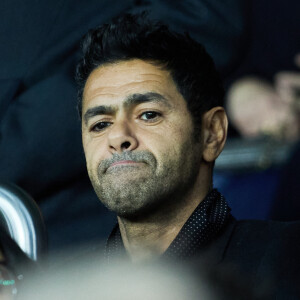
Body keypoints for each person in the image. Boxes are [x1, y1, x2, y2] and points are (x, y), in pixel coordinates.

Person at [76, 13, 300, 297]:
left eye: (148, 114)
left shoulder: (288, 260)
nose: (118, 137)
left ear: (211, 133)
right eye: (100, 124)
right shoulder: (67, 287)